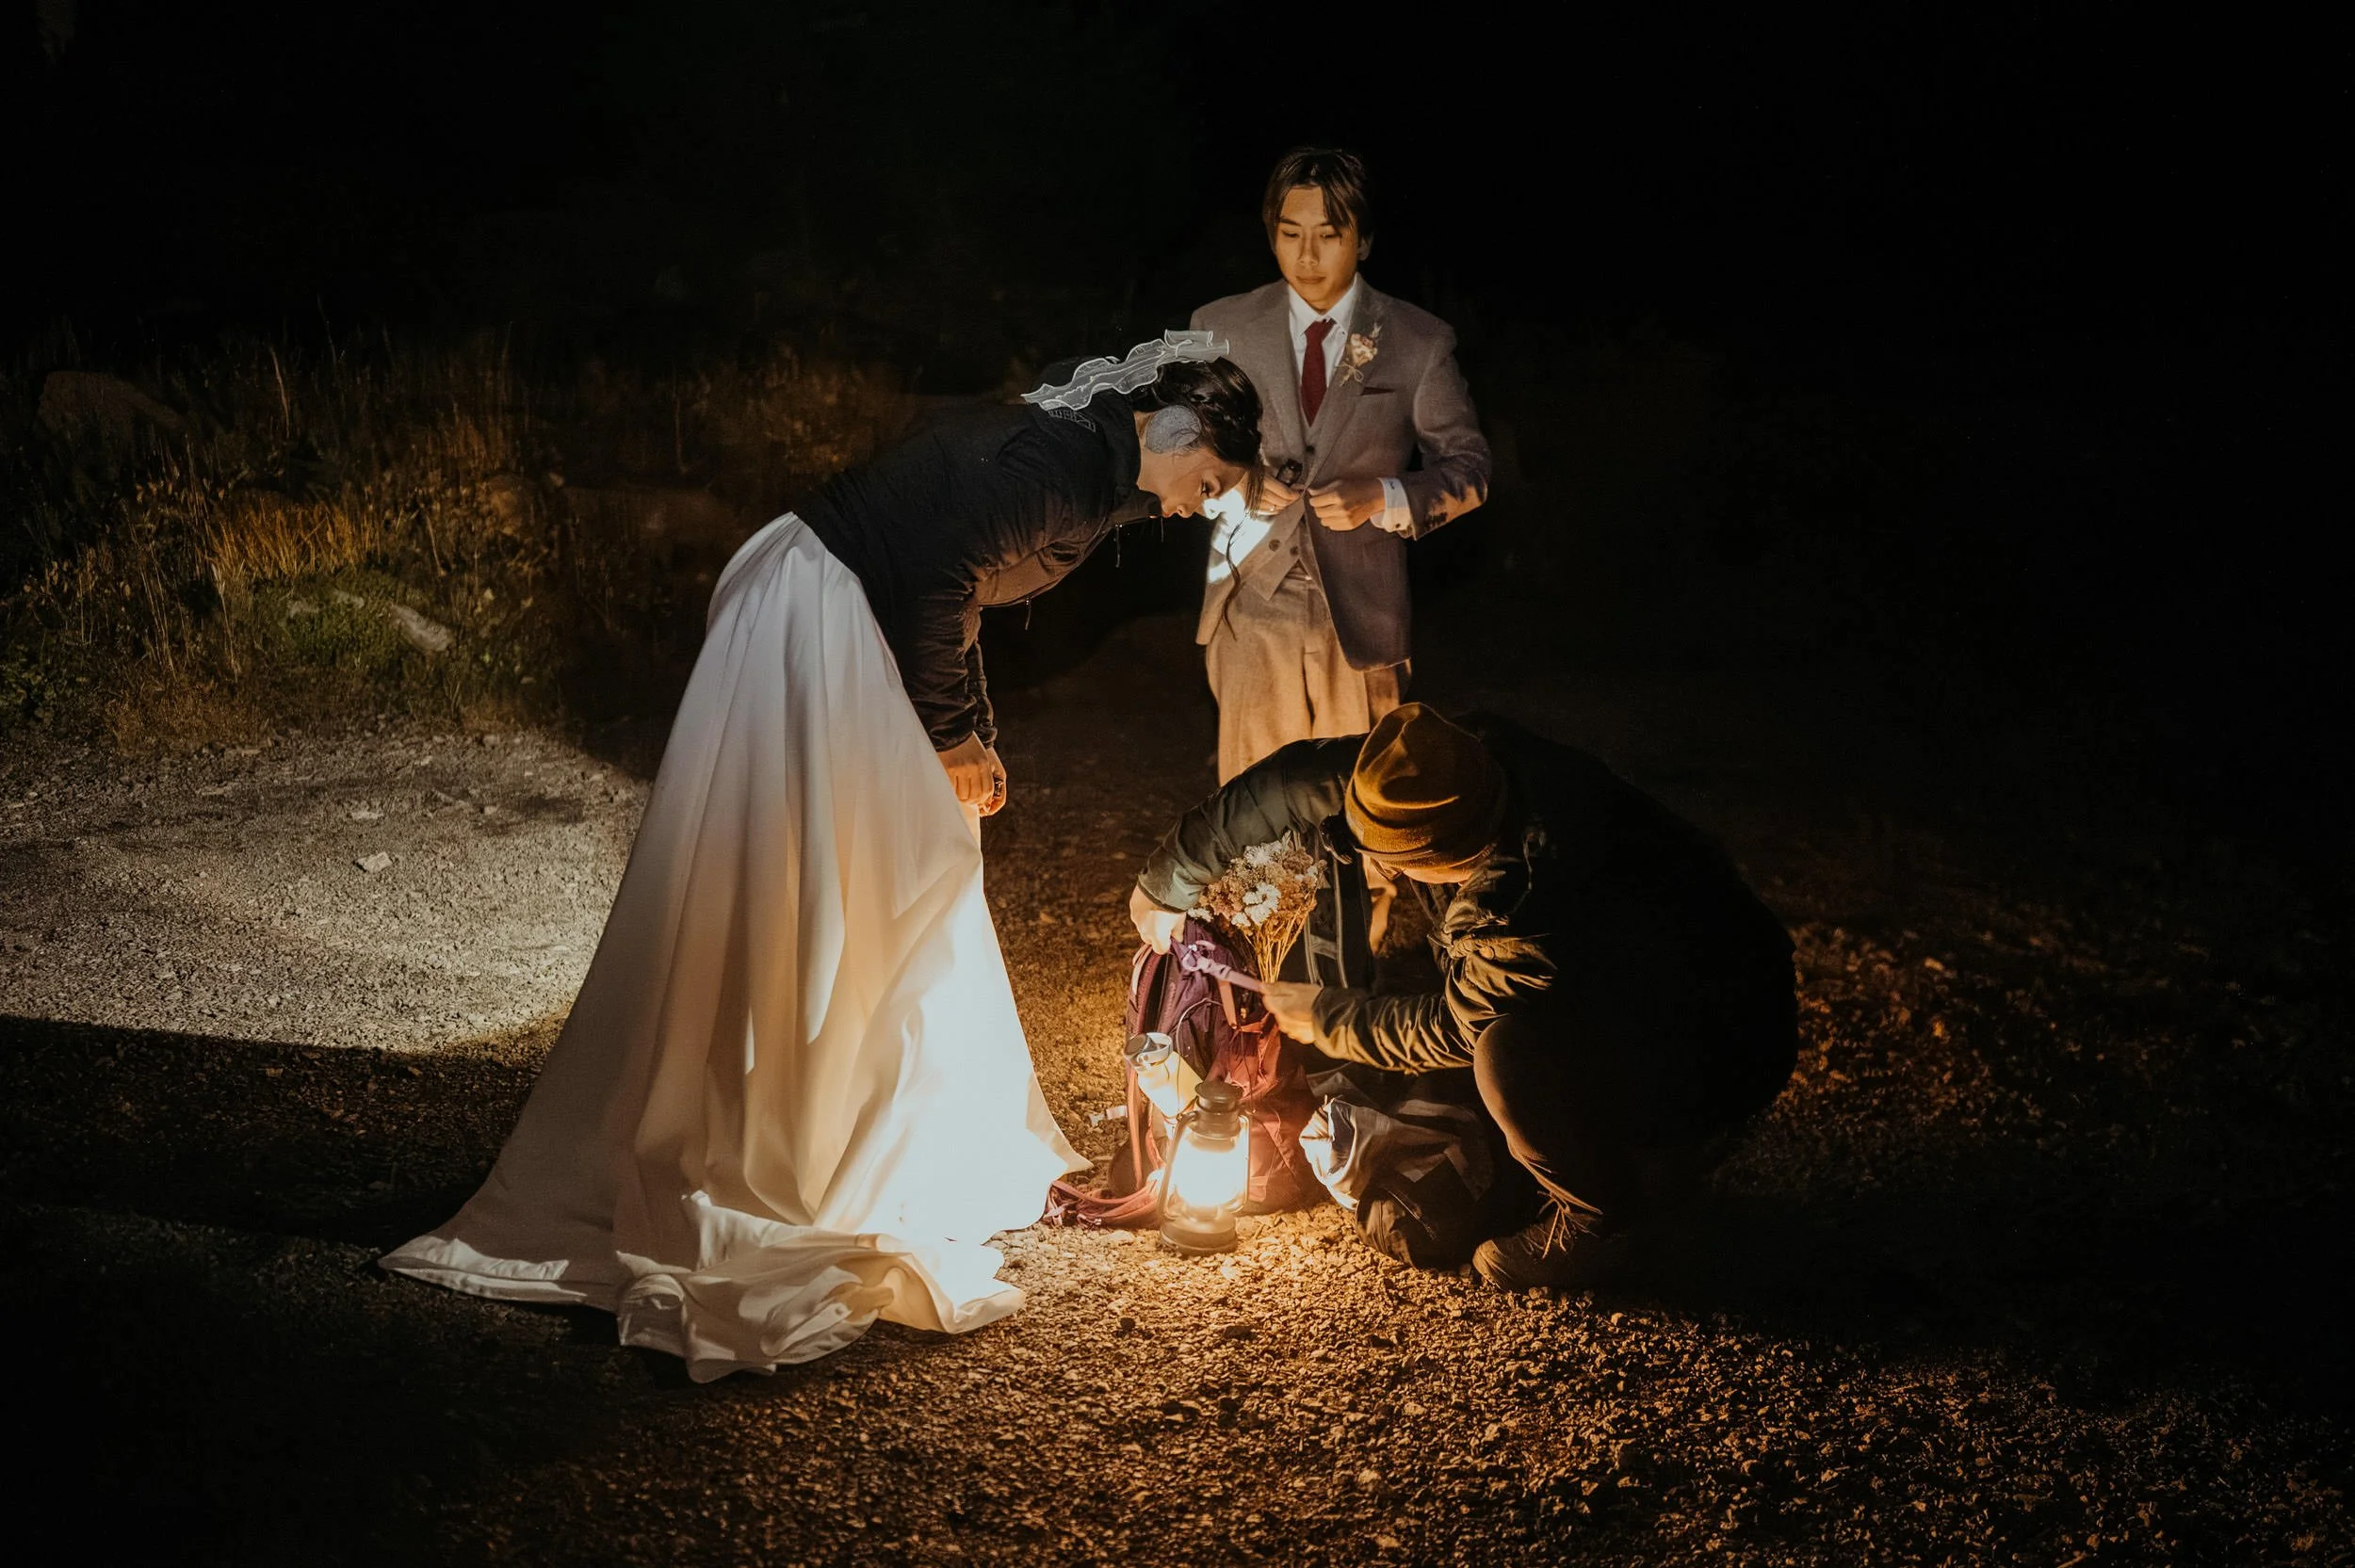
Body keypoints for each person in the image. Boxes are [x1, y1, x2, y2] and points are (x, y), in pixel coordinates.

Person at [383, 335, 1263, 1378]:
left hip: (842, 608)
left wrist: (972, 728)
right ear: (1171, 433)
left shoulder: (1095, 474)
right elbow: (934, 576)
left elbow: (965, 586)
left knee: (911, 853)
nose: (1195, 506)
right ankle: (776, 1112)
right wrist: (947, 736)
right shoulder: (1063, 464)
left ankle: (852, 1088)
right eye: (1204, 482)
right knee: (822, 864)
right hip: (816, 607)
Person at [1129, 704, 1796, 1289]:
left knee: (1503, 1054)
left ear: (1449, 857)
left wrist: (1326, 1016)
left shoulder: (1521, 902)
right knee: (1478, 1032)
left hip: (1718, 1032)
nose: (1379, 869)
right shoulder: (1455, 761)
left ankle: (1608, 1218)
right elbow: (1293, 784)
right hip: (1674, 962)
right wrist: (1169, 878)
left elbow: (1450, 1027)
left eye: (1391, 859)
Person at [1191, 148, 1492, 783]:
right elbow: (1178, 450)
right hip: (1250, 600)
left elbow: (1470, 468)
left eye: (1329, 236)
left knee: (1365, 804)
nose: (1306, 257)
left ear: (1364, 240)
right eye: (1290, 234)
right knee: (1254, 810)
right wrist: (1236, 484)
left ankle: (1373, 887)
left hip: (1362, 619)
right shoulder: (1219, 327)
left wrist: (1383, 495)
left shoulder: (1418, 340)